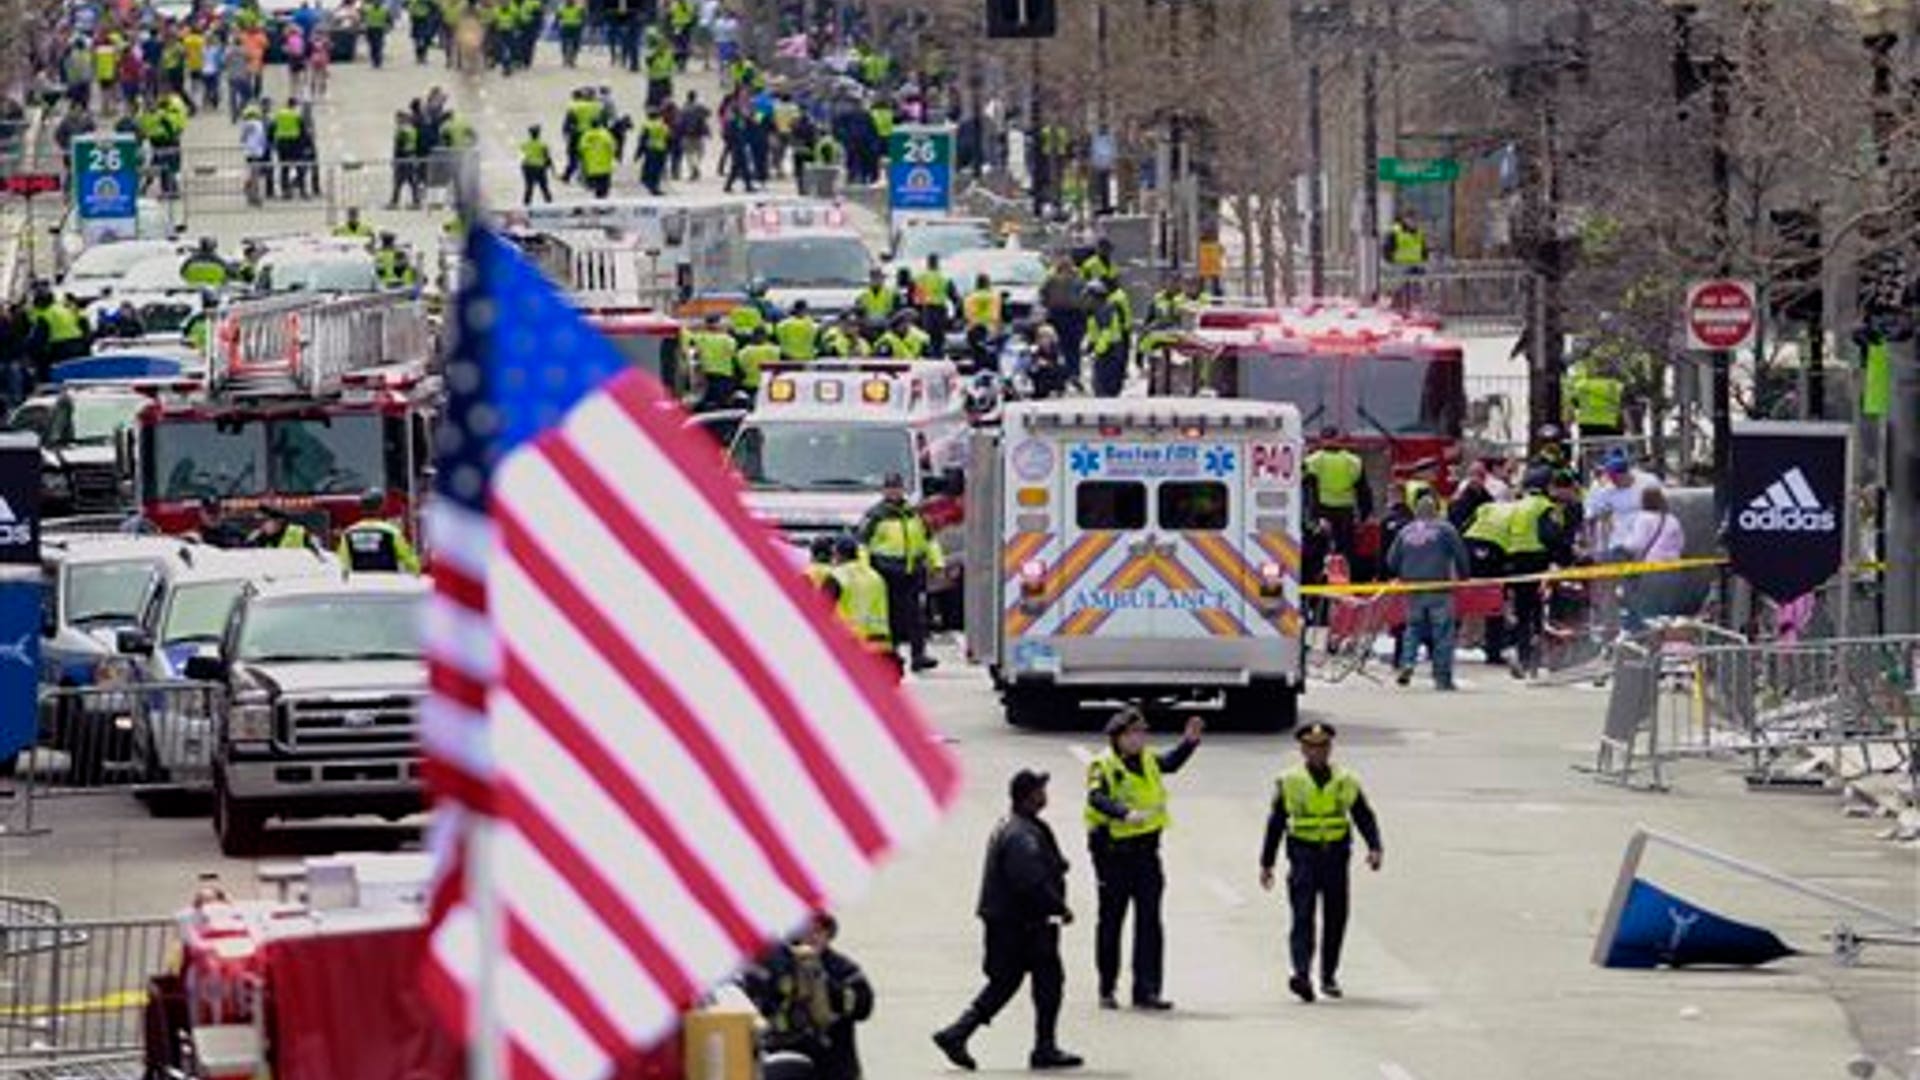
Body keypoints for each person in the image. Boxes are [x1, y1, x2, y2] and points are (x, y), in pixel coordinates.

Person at [931, 769, 1083, 1072]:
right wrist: (1059, 908)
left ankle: (958, 1033)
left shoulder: (1021, 826)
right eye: (1041, 789)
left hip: (1015, 923)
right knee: (1043, 982)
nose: (1045, 794)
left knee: (1013, 982)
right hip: (1023, 925)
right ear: (1029, 796)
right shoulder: (1020, 834)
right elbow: (1029, 881)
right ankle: (1043, 1047)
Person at [1084, 708, 1202, 1012]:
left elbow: (1170, 764)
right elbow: (1096, 798)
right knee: (1111, 921)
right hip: (1113, 853)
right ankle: (1107, 987)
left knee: (1150, 922)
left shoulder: (1148, 759)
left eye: (1141, 733)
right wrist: (1124, 813)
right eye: (1132, 734)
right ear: (1117, 737)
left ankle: (1147, 990)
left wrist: (1188, 743)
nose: (1139, 739)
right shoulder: (1103, 764)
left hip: (1147, 853)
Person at [1258, 722, 1383, 1003]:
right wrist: (1267, 863)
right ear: (1302, 749)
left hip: (1336, 856)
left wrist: (1375, 847)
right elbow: (1276, 822)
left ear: (1330, 748)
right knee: (1302, 915)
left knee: (1336, 917)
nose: (1317, 752)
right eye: (1311, 747)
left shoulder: (1346, 779)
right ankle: (1301, 974)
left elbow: (1363, 814)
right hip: (1303, 855)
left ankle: (1328, 975)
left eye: (1323, 746)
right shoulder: (1290, 780)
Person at [739, 913, 874, 1080]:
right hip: (782, 1062)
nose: (812, 937)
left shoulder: (843, 968)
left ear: (828, 934)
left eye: (818, 931)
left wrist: (823, 985)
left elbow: (864, 1007)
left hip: (835, 1067)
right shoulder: (773, 964)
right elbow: (752, 1004)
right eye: (806, 931)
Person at [1385, 490, 1472, 690]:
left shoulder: (1405, 531)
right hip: (1439, 588)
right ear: (1436, 511)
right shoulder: (1446, 529)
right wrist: (1464, 576)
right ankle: (1443, 678)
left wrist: (1404, 572)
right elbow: (1460, 555)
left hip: (1413, 588)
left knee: (1413, 630)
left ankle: (1407, 663)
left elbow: (1391, 560)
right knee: (1442, 633)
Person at [857, 472, 942, 672]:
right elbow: (862, 544)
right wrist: (865, 570)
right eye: (890, 488)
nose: (894, 491)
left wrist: (937, 563)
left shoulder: (914, 513)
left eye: (897, 487)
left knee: (916, 616)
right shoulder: (875, 515)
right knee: (891, 616)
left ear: (903, 489)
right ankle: (892, 654)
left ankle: (918, 655)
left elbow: (929, 539)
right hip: (886, 571)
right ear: (884, 490)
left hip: (912, 571)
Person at [1611, 484, 1686, 632]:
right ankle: (1667, 642)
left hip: (1652, 570)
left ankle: (1649, 644)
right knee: (1666, 612)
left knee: (1649, 612)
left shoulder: (1644, 519)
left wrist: (1621, 546)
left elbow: (1636, 544)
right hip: (1673, 569)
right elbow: (1681, 544)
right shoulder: (1672, 519)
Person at [1304, 432, 1372, 569]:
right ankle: (1346, 579)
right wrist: (1364, 516)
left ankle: (1319, 579)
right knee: (1346, 551)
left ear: (1322, 440)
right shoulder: (1354, 461)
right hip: (1346, 512)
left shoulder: (1313, 461)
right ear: (1339, 440)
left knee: (1319, 551)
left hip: (1321, 511)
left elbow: (1305, 490)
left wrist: (1309, 517)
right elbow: (1363, 491)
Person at [1582, 449, 1654, 554]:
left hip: (1645, 541)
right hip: (1618, 544)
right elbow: (1592, 514)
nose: (1613, 482)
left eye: (1615, 478)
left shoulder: (1648, 482)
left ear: (1625, 473)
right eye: (1611, 478)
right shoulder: (1605, 489)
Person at [336, 490, 421, 572]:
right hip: (388, 583)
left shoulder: (348, 533)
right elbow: (411, 562)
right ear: (381, 508)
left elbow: (342, 564)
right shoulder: (391, 532)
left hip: (359, 583)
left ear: (362, 509)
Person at [1565, 357, 1625, 440]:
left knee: (1590, 448)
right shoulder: (1615, 386)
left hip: (1588, 427)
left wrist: (1567, 426)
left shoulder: (1582, 385)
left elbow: (1571, 408)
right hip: (1611, 425)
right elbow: (1622, 409)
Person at [578, 119, 616, 198]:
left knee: (595, 189)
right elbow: (612, 147)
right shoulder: (606, 134)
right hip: (605, 167)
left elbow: (581, 149)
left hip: (592, 167)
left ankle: (597, 204)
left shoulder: (586, 135)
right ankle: (602, 205)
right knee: (604, 189)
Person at [250, 506, 315, 550]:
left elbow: (320, 558)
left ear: (279, 521)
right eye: (258, 522)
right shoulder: (259, 538)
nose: (261, 526)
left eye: (264, 521)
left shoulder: (299, 533)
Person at [519, 123, 553, 205]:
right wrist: (550, 166)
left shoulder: (524, 144)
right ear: (538, 134)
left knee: (529, 187)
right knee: (544, 187)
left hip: (528, 167)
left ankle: (526, 205)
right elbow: (547, 157)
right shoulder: (543, 144)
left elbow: (522, 156)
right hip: (539, 168)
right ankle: (549, 204)